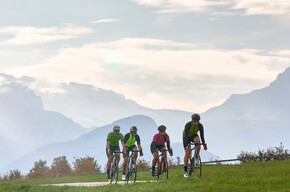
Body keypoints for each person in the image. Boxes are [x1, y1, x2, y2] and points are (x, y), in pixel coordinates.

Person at [183, 113, 207, 177]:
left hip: (194, 136)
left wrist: (204, 144)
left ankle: (196, 156)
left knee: (198, 141)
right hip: (186, 137)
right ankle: (185, 171)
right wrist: (188, 144)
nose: (196, 123)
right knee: (187, 152)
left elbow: (202, 136)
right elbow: (186, 136)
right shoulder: (188, 125)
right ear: (192, 120)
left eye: (197, 121)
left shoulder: (200, 126)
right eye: (194, 121)